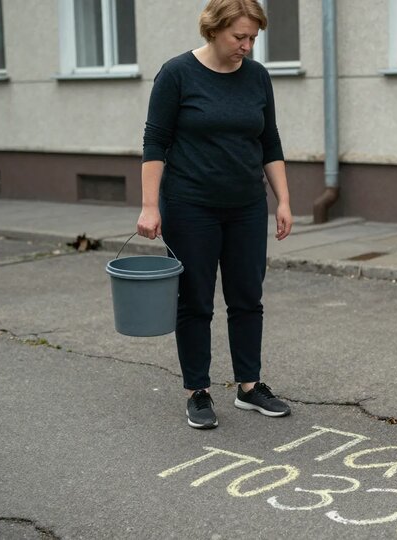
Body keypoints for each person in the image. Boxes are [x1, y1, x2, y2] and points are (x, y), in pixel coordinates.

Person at [137, 0, 293, 429]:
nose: (247, 46)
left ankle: (249, 386)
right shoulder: (177, 74)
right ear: (213, 30)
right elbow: (155, 142)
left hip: (246, 206)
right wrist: (150, 206)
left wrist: (283, 200)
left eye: (253, 38)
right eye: (239, 37)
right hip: (190, 206)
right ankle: (198, 391)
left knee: (247, 297)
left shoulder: (257, 76)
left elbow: (270, 141)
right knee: (195, 300)